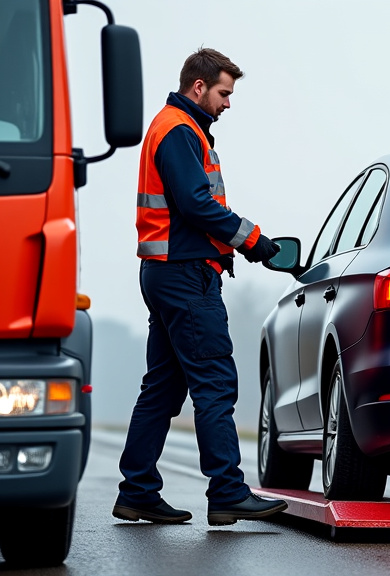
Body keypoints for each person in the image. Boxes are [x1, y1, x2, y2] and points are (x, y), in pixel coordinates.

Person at [112, 48, 287, 526]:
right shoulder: (179, 131)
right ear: (199, 88)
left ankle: (137, 491)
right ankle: (228, 492)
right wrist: (252, 239)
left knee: (163, 389)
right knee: (214, 382)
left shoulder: (178, 128)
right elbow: (194, 203)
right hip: (187, 275)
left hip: (168, 272)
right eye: (224, 93)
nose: (228, 103)